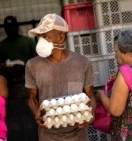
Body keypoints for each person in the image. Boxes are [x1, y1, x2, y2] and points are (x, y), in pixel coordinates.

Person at [25, 13, 96, 141]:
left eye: (46, 37)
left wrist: (90, 115)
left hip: (78, 134)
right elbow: (31, 98)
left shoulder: (82, 62)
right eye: (40, 37)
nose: (42, 41)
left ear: (61, 37)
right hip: (48, 134)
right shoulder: (32, 65)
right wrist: (36, 113)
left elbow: (90, 95)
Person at [0, 16, 38, 141]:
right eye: (7, 28)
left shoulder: (28, 41)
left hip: (27, 84)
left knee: (30, 114)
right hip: (10, 87)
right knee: (14, 118)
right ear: (5, 29)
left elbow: (36, 61)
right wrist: (7, 67)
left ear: (17, 26)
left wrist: (26, 66)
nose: (10, 30)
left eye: (12, 26)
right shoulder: (1, 45)